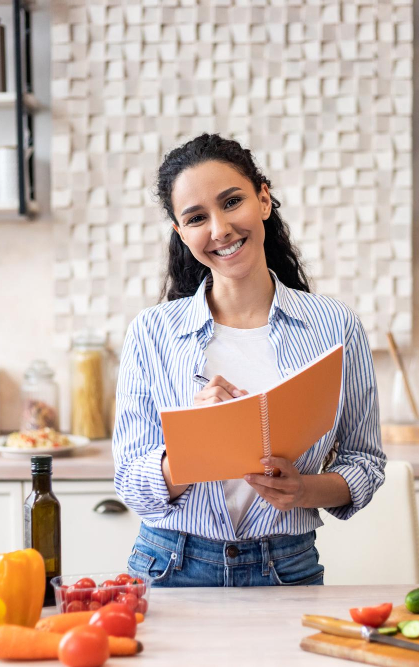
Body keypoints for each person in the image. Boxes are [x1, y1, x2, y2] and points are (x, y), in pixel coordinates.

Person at [112, 133, 385, 587]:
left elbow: (365, 462)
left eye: (232, 201)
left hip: (286, 565)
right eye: (197, 217)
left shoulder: (335, 326)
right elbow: (130, 483)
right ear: (182, 233)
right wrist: (195, 445)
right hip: (170, 565)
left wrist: (303, 490)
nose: (219, 229)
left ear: (263, 199)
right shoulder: (152, 332)